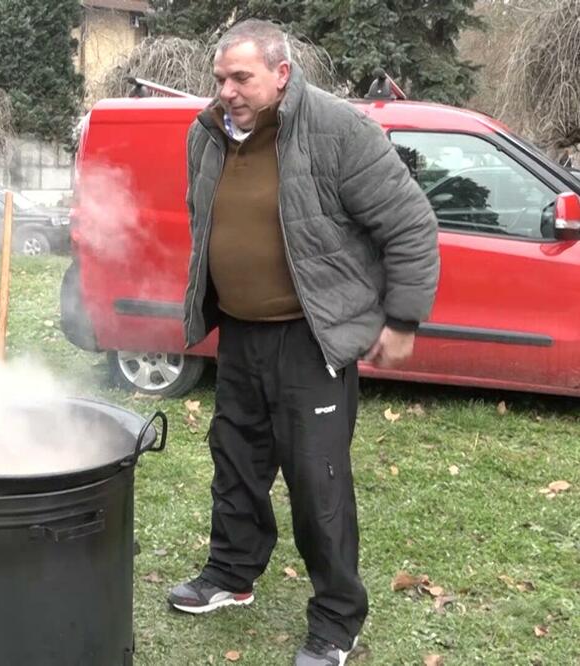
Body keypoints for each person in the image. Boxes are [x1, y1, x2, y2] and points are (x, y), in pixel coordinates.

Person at [169, 19, 440, 666]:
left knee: (317, 484)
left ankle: (336, 622)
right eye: (220, 79)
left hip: (308, 339)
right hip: (239, 332)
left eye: (242, 78)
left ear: (281, 73)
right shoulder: (204, 136)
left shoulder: (339, 131)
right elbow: (208, 224)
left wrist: (401, 322)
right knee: (235, 461)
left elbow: (411, 228)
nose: (227, 91)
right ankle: (232, 575)